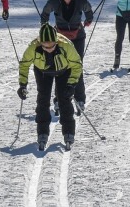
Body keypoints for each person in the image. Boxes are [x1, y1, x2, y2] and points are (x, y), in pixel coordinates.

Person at [17, 23, 82, 151]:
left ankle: (68, 132)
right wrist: (22, 84)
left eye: (52, 46)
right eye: (45, 46)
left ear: (56, 41)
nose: (49, 49)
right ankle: (42, 132)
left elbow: (77, 64)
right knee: (43, 99)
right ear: (40, 42)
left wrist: (72, 84)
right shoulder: (33, 47)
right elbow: (24, 64)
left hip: (64, 70)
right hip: (42, 72)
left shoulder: (66, 45)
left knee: (64, 99)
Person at [40, 0, 92, 116]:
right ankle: (59, 99)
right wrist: (45, 26)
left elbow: (89, 11)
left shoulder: (81, 0)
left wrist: (88, 20)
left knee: (77, 66)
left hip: (78, 37)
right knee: (60, 67)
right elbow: (45, 13)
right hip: (60, 38)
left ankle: (80, 99)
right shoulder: (54, 1)